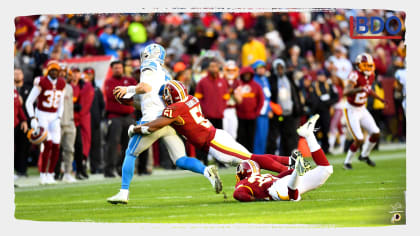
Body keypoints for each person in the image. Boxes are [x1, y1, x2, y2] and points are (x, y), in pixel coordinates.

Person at [107, 44, 222, 204]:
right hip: (168, 119)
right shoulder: (166, 72)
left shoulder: (148, 66)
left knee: (131, 153)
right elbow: (154, 96)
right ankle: (206, 170)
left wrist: (128, 90)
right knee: (180, 159)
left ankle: (123, 192)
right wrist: (132, 102)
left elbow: (145, 88)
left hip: (153, 120)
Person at [129, 80, 299, 176]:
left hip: (214, 143)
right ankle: (290, 161)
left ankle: (288, 171)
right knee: (251, 156)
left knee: (251, 159)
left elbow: (156, 125)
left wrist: (137, 129)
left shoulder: (176, 108)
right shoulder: (190, 99)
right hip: (216, 135)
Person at [233, 114, 333, 202]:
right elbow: (281, 176)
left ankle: (297, 172)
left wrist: (255, 199)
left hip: (278, 188)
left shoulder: (244, 183)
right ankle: (309, 135)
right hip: (284, 182)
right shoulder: (264, 176)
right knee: (325, 170)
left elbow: (238, 194)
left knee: (293, 197)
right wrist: (291, 170)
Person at [343, 53, 387, 170]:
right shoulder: (354, 75)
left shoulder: (371, 75)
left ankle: (364, 155)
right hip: (351, 109)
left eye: (369, 65)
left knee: (376, 132)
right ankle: (347, 162)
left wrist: (381, 99)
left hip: (362, 108)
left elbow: (368, 90)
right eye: (365, 65)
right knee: (359, 138)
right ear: (358, 65)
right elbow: (345, 92)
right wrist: (359, 88)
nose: (367, 68)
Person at [25, 60, 66, 184]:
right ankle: (43, 174)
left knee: (56, 145)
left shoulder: (62, 83)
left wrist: (58, 118)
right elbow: (29, 102)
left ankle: (51, 174)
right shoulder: (41, 82)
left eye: (56, 70)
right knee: (47, 145)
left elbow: (61, 104)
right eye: (52, 70)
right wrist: (33, 118)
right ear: (48, 70)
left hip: (54, 116)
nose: (54, 72)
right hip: (42, 114)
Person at [103, 60, 137, 178]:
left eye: (119, 67)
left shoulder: (130, 80)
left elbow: (137, 93)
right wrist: (128, 92)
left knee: (128, 145)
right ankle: (109, 169)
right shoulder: (109, 81)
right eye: (115, 68)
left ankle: (121, 168)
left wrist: (125, 92)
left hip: (129, 117)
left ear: (123, 69)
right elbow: (112, 95)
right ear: (112, 69)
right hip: (114, 116)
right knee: (113, 144)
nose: (118, 69)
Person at [267, 58, 303, 156]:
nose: (280, 70)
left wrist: (298, 108)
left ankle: (290, 155)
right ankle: (272, 155)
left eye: (281, 68)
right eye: (278, 68)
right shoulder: (271, 80)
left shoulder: (289, 78)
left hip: (290, 112)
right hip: (277, 113)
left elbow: (296, 94)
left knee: (289, 136)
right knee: (274, 136)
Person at [55, 65, 77, 183]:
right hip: (56, 123)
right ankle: (51, 173)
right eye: (61, 72)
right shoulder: (51, 86)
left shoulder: (69, 87)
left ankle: (68, 173)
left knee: (69, 149)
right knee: (53, 149)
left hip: (69, 122)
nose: (63, 74)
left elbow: (71, 107)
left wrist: (72, 120)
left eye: (65, 72)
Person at [235, 66, 264, 153]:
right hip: (240, 117)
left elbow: (261, 100)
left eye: (248, 74)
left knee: (250, 138)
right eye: (245, 74)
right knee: (241, 137)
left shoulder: (256, 86)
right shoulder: (238, 85)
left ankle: (249, 156)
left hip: (252, 117)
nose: (247, 76)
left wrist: (256, 113)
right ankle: (241, 156)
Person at [83, 67, 105, 174]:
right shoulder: (81, 88)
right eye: (86, 74)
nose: (88, 76)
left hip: (95, 122)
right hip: (83, 121)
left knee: (96, 145)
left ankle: (95, 166)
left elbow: (102, 106)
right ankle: (82, 166)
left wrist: (99, 118)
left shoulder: (96, 89)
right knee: (83, 145)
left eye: (90, 74)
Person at [312, 69, 338, 153]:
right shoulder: (314, 86)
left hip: (326, 111)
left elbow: (336, 97)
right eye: (319, 75)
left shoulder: (329, 86)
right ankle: (315, 149)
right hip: (316, 112)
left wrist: (328, 103)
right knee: (316, 130)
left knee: (326, 130)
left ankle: (326, 148)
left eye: (322, 76)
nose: (321, 77)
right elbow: (312, 98)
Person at [251, 60, 272, 154]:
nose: (261, 70)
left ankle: (262, 156)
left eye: (263, 68)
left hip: (265, 112)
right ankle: (257, 156)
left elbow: (268, 97)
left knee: (264, 136)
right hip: (258, 113)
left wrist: (270, 109)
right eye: (259, 68)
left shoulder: (265, 79)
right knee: (257, 137)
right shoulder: (254, 80)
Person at [14, 68, 29, 178]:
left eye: (19, 73)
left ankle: (22, 170)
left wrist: (26, 120)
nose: (17, 75)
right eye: (15, 73)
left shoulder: (28, 88)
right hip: (14, 120)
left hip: (24, 121)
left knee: (23, 146)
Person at [222, 60, 240, 140]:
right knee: (224, 133)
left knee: (233, 134)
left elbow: (240, 100)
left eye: (233, 70)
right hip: (223, 110)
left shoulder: (237, 82)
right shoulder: (221, 81)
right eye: (229, 70)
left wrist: (234, 92)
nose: (231, 72)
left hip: (233, 109)